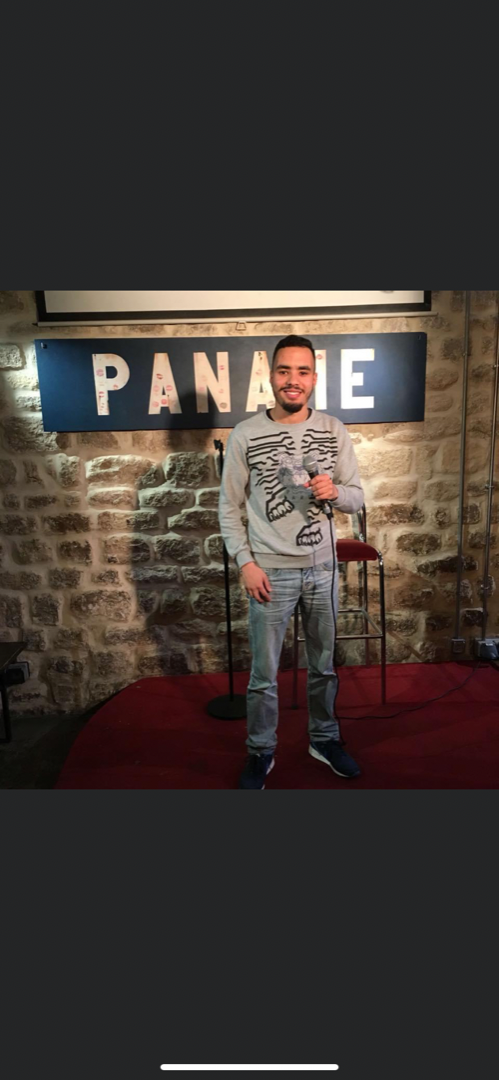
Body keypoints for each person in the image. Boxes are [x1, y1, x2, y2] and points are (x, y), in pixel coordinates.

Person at [219, 335, 365, 789]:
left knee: (324, 665)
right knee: (264, 675)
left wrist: (335, 492)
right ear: (271, 376)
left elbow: (357, 498)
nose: (292, 380)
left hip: (323, 569)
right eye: (284, 371)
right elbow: (228, 506)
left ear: (314, 378)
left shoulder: (333, 429)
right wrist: (245, 562)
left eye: (302, 371)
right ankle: (260, 750)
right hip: (270, 571)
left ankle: (324, 739)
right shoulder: (245, 433)